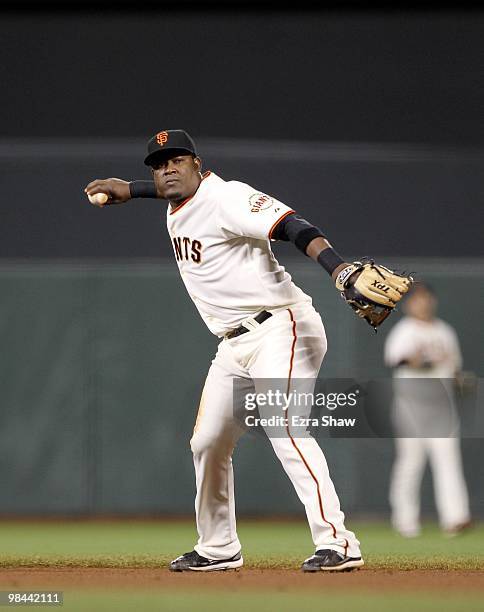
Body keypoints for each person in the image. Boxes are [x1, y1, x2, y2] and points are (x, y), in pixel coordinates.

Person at [85, 129, 400, 573]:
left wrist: (338, 268)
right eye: (159, 163)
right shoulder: (179, 204)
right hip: (233, 345)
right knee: (208, 441)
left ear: (198, 163)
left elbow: (294, 226)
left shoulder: (230, 196)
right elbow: (174, 193)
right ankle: (218, 548)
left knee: (284, 427)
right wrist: (131, 190)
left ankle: (339, 542)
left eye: (177, 159)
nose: (168, 168)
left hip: (281, 326)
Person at [384, 283, 471, 538]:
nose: (423, 302)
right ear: (408, 304)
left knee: (449, 464)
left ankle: (455, 519)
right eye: (417, 299)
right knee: (410, 465)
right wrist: (424, 361)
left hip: (443, 410)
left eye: (426, 298)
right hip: (411, 409)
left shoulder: (445, 331)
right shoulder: (405, 331)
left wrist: (461, 380)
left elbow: (454, 369)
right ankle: (405, 521)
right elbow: (399, 360)